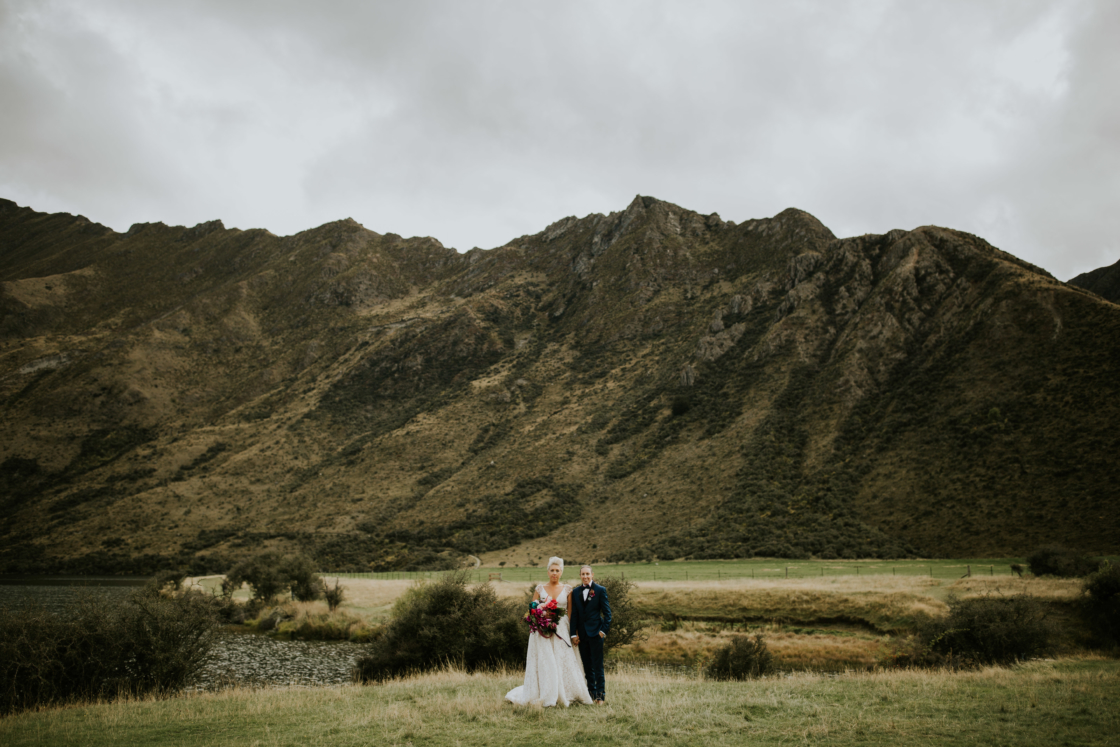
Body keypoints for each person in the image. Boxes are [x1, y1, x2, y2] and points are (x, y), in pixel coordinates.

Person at [504, 557, 593, 707]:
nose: (554, 573)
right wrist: (540, 616)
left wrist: (574, 633)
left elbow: (571, 613)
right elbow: (532, 609)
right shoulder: (540, 589)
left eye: (557, 570)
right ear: (548, 572)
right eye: (552, 570)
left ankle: (564, 692)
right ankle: (546, 692)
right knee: (546, 661)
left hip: (561, 629)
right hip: (542, 630)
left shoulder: (568, 589)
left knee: (562, 659)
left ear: (561, 572)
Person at [569, 564, 611, 704]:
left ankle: (600, 696)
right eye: (583, 574)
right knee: (587, 667)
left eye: (588, 574)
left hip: (596, 633)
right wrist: (573, 634)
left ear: (592, 575)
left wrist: (603, 631)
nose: (585, 576)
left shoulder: (600, 590)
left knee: (597, 666)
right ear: (580, 576)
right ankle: (591, 695)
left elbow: (608, 614)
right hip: (582, 635)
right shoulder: (575, 591)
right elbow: (574, 614)